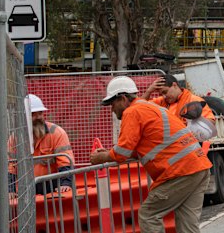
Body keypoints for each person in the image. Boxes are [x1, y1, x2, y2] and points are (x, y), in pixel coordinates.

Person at [91, 76, 212, 232]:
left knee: (148, 215)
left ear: (123, 98)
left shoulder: (132, 112)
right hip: (199, 167)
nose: (112, 109)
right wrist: (110, 152)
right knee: (187, 225)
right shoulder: (149, 107)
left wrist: (102, 157)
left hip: (181, 171)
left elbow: (122, 152)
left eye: (113, 104)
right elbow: (143, 147)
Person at [10, 94, 75, 195]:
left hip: (54, 187)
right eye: (33, 114)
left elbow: (65, 161)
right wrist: (10, 190)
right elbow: (10, 166)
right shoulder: (15, 138)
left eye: (40, 113)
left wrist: (65, 183)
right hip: (27, 189)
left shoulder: (56, 132)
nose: (38, 117)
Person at [142, 74, 215, 121]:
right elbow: (139, 106)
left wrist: (194, 123)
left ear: (174, 85)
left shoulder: (194, 100)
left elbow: (211, 122)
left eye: (165, 92)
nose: (164, 96)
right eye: (161, 94)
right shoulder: (161, 101)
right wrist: (148, 91)